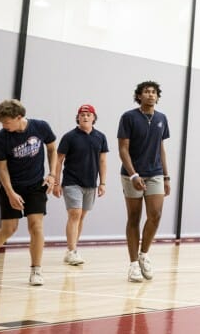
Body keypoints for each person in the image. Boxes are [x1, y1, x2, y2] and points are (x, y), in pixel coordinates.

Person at [0, 99, 57, 287]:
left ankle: (36, 270)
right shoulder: (2, 137)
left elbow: (52, 149)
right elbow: (2, 169)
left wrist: (52, 174)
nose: (4, 126)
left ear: (19, 117)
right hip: (11, 186)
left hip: (36, 185)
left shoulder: (41, 127)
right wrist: (10, 193)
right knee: (8, 229)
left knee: (36, 226)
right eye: (1, 123)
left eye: (7, 122)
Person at [118, 80, 171, 283]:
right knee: (133, 217)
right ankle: (132, 265)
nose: (150, 94)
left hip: (156, 172)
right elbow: (123, 149)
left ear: (157, 96)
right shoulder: (128, 117)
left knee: (155, 215)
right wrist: (133, 175)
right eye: (146, 92)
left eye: (153, 92)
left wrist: (166, 176)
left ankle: (144, 254)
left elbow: (161, 149)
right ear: (139, 96)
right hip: (131, 173)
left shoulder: (162, 118)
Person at [53, 104, 109, 266]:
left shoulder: (100, 137)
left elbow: (103, 161)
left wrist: (102, 183)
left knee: (82, 216)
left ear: (93, 118)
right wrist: (56, 182)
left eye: (88, 114)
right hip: (72, 182)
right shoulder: (69, 137)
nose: (85, 117)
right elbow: (59, 160)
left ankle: (72, 248)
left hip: (91, 183)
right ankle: (72, 252)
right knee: (75, 214)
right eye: (82, 114)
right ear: (78, 117)